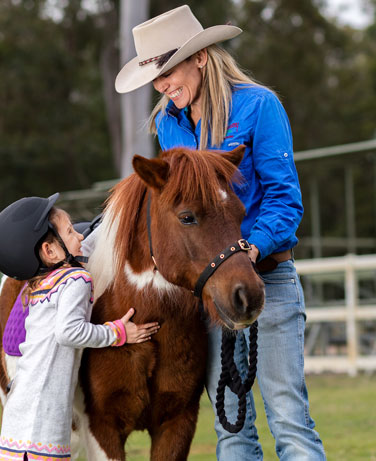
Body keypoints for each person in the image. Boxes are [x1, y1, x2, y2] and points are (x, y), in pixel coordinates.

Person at [115, 5, 326, 460]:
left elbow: (285, 199)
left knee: (289, 418)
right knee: (231, 427)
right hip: (209, 295)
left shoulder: (258, 105)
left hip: (266, 277)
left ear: (201, 58)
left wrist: (249, 251)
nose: (162, 86)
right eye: (155, 78)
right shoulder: (169, 123)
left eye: (168, 72)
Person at [0, 193, 159, 461]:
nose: (79, 236)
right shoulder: (75, 279)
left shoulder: (42, 284)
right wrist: (117, 333)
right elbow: (69, 332)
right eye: (70, 231)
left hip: (18, 417)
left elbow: (90, 245)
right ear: (50, 251)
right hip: (45, 416)